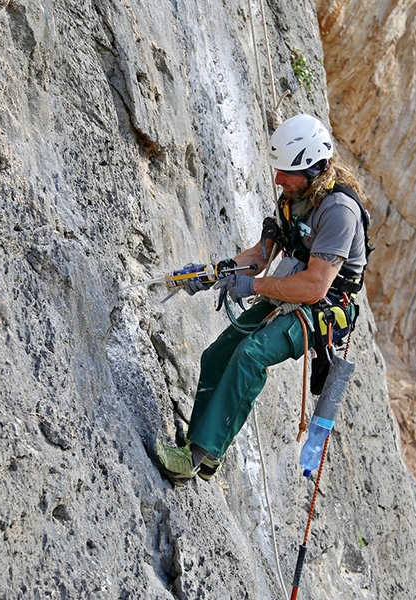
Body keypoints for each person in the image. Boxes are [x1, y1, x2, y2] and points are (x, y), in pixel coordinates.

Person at [153, 113, 371, 485]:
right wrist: (214, 272)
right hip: (291, 289)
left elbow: (316, 286)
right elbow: (260, 255)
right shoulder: (296, 197)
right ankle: (202, 449)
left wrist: (253, 288)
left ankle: (198, 456)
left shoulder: (338, 212)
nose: (278, 179)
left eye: (287, 172)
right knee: (217, 355)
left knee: (250, 356)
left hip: (323, 308)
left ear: (314, 169)